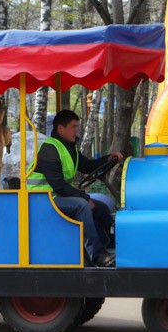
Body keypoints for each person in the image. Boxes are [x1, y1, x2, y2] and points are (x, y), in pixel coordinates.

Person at [27, 110, 122, 267]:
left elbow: (87, 166)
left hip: (56, 197)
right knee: (82, 205)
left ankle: (113, 247)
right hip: (41, 200)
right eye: (73, 127)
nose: (77, 130)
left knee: (102, 207)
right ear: (60, 129)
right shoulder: (49, 149)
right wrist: (84, 197)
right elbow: (58, 184)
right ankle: (96, 255)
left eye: (77, 127)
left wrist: (108, 159)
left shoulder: (69, 149)